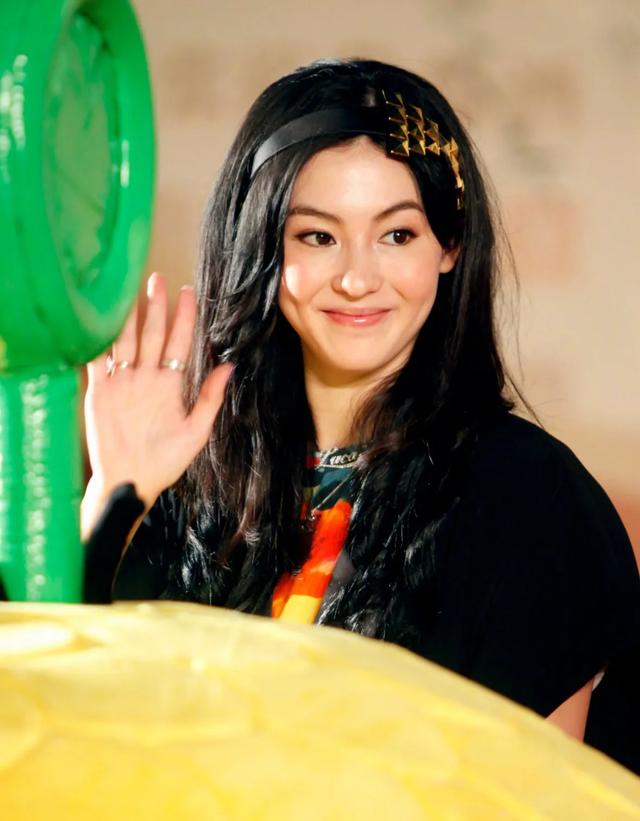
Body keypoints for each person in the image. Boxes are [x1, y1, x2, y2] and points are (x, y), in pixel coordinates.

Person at [81, 58, 640, 763]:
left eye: (397, 234)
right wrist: (116, 495)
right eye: (317, 236)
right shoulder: (188, 480)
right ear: (263, 249)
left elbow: (544, 795)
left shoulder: (529, 498)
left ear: (449, 245)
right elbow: (58, 729)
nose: (356, 278)